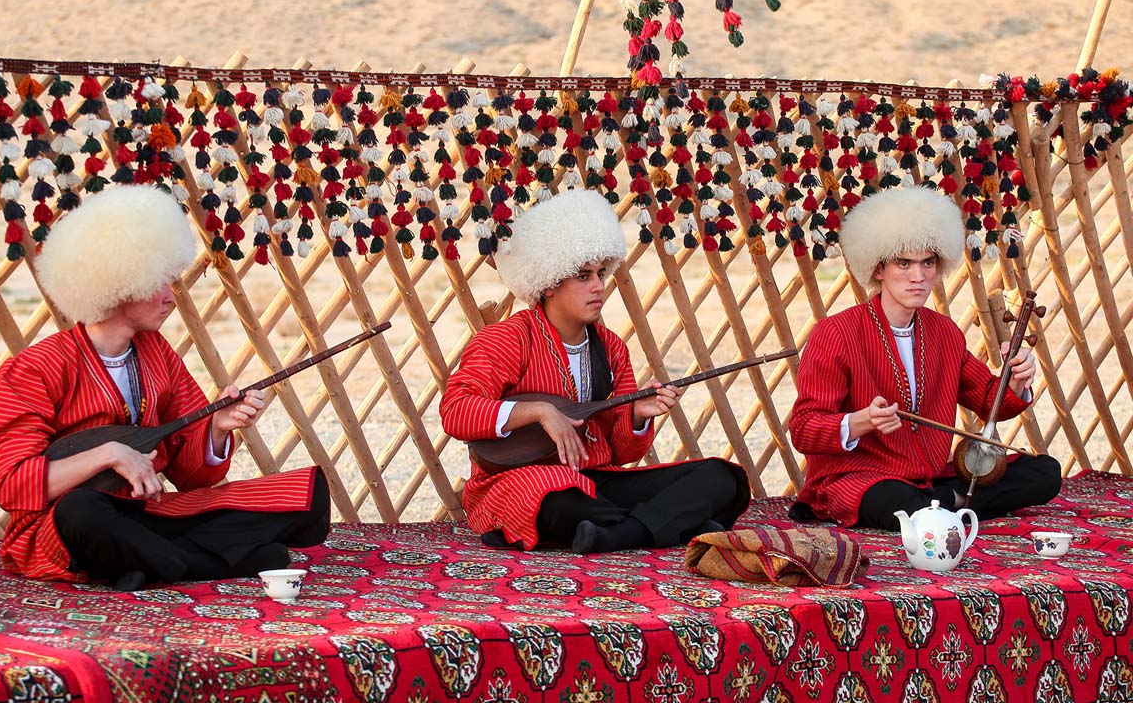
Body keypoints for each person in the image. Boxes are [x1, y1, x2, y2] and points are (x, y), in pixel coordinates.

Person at [0, 185, 330, 590]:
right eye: (157, 283)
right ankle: (197, 563)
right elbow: (11, 484)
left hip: (148, 512)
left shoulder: (156, 353)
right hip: (67, 526)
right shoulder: (35, 369)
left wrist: (217, 427)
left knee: (303, 497)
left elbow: (192, 478)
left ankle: (145, 564)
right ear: (118, 285)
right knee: (81, 511)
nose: (171, 297)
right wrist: (110, 454)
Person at [440, 190, 749, 554]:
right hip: (523, 481)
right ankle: (671, 523)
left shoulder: (611, 348)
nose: (599, 286)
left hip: (596, 480)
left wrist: (635, 417)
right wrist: (539, 412)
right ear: (550, 282)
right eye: (583, 276)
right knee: (559, 503)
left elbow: (619, 452)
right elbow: (455, 411)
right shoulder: (508, 339)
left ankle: (618, 534)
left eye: (601, 273)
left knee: (723, 479)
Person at [788, 186, 1061, 530]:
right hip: (860, 478)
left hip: (931, 478)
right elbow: (803, 430)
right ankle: (954, 504)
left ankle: (942, 505)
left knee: (1045, 473)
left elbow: (993, 405)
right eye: (904, 263)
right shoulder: (837, 333)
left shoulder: (944, 333)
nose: (917, 277)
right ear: (878, 268)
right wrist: (861, 421)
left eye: (927, 263)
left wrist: (1017, 381)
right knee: (893, 502)